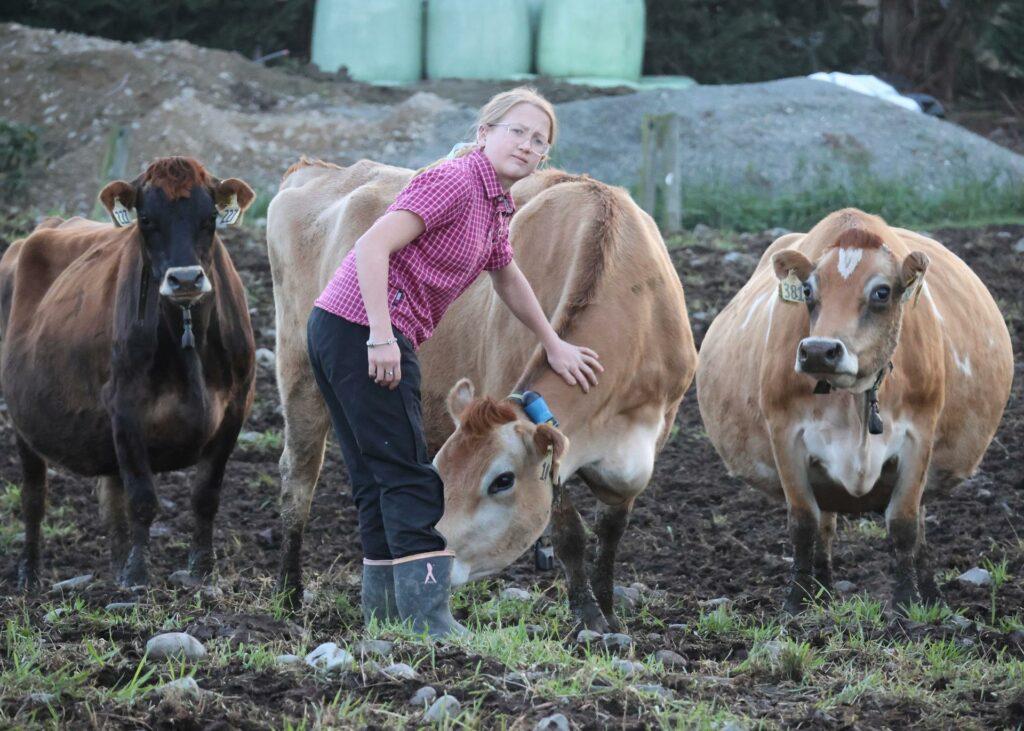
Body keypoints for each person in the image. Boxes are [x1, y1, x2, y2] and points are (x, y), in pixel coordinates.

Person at [307, 86, 602, 638]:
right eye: (517, 130)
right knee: (410, 477)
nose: (528, 144)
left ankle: (386, 615)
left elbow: (506, 273)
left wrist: (552, 342)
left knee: (378, 475)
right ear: (484, 132)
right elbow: (372, 247)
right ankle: (428, 620)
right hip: (361, 328)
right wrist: (379, 335)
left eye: (540, 140)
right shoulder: (455, 181)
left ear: (545, 156)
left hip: (341, 327)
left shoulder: (494, 202)